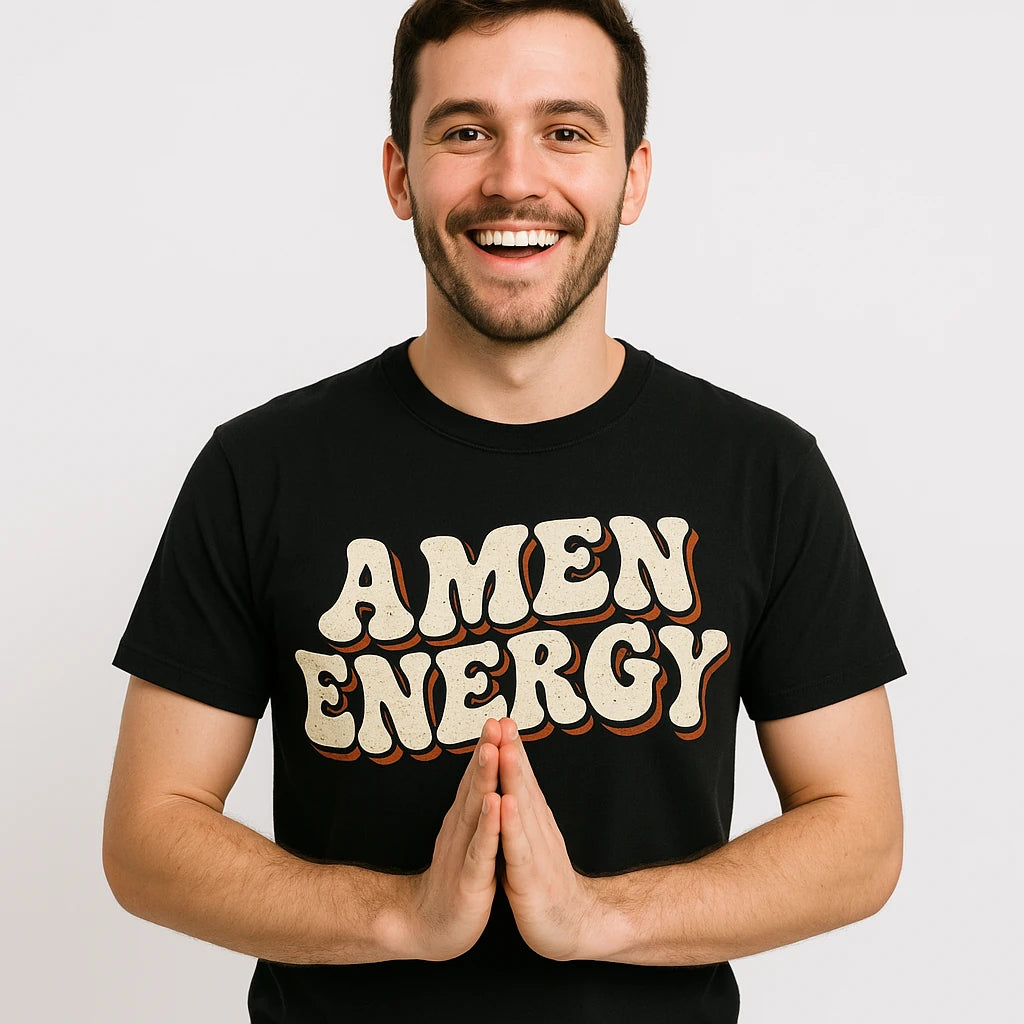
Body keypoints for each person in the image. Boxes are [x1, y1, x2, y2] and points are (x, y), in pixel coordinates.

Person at [103, 1, 905, 1021]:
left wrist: (595, 919)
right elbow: (146, 835)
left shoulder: (763, 470)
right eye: (465, 130)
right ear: (399, 174)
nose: (514, 178)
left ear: (634, 176)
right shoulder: (259, 468)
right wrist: (403, 916)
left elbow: (860, 834)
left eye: (566, 132)